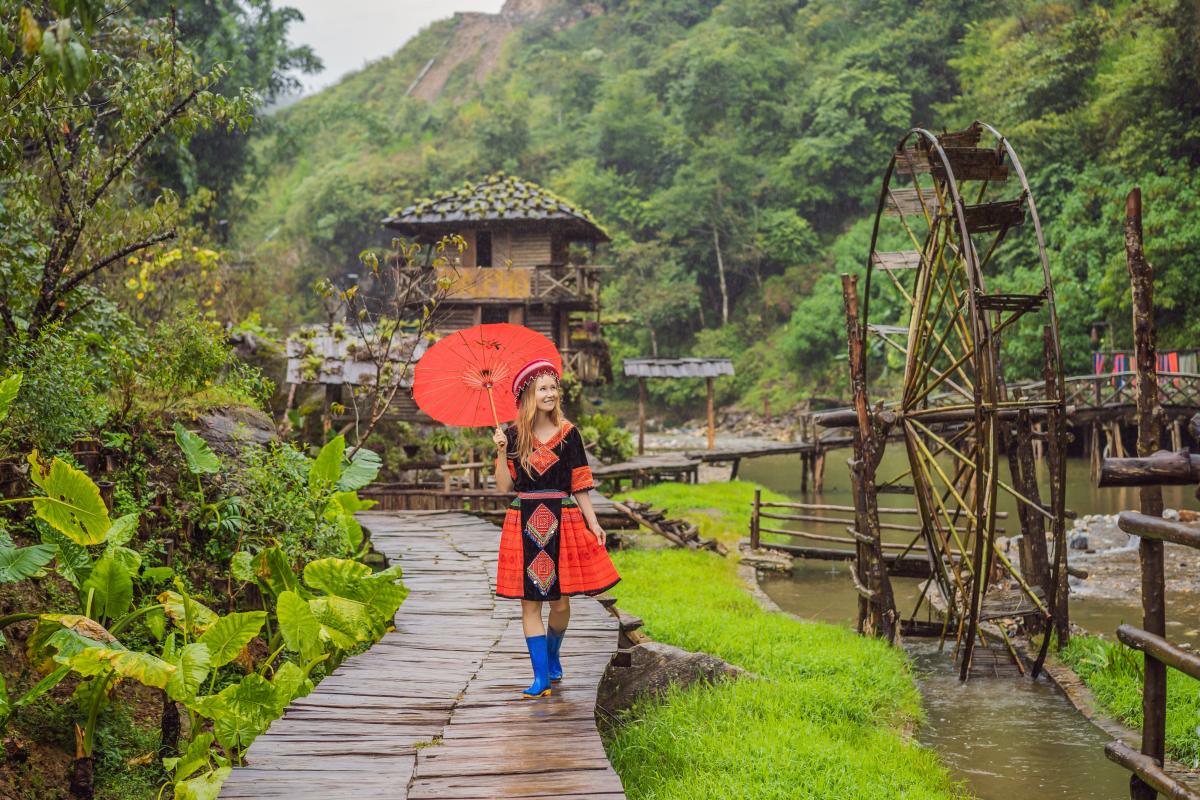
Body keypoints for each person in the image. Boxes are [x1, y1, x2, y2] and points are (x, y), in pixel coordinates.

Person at [492, 359, 620, 698]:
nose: (550, 393)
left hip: (563, 519)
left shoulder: (569, 433)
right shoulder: (514, 435)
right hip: (525, 520)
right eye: (542, 388)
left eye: (553, 387)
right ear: (528, 396)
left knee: (560, 604)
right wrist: (500, 451)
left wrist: (594, 523)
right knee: (530, 603)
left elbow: (579, 483)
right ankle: (540, 678)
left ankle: (552, 653)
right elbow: (505, 487)